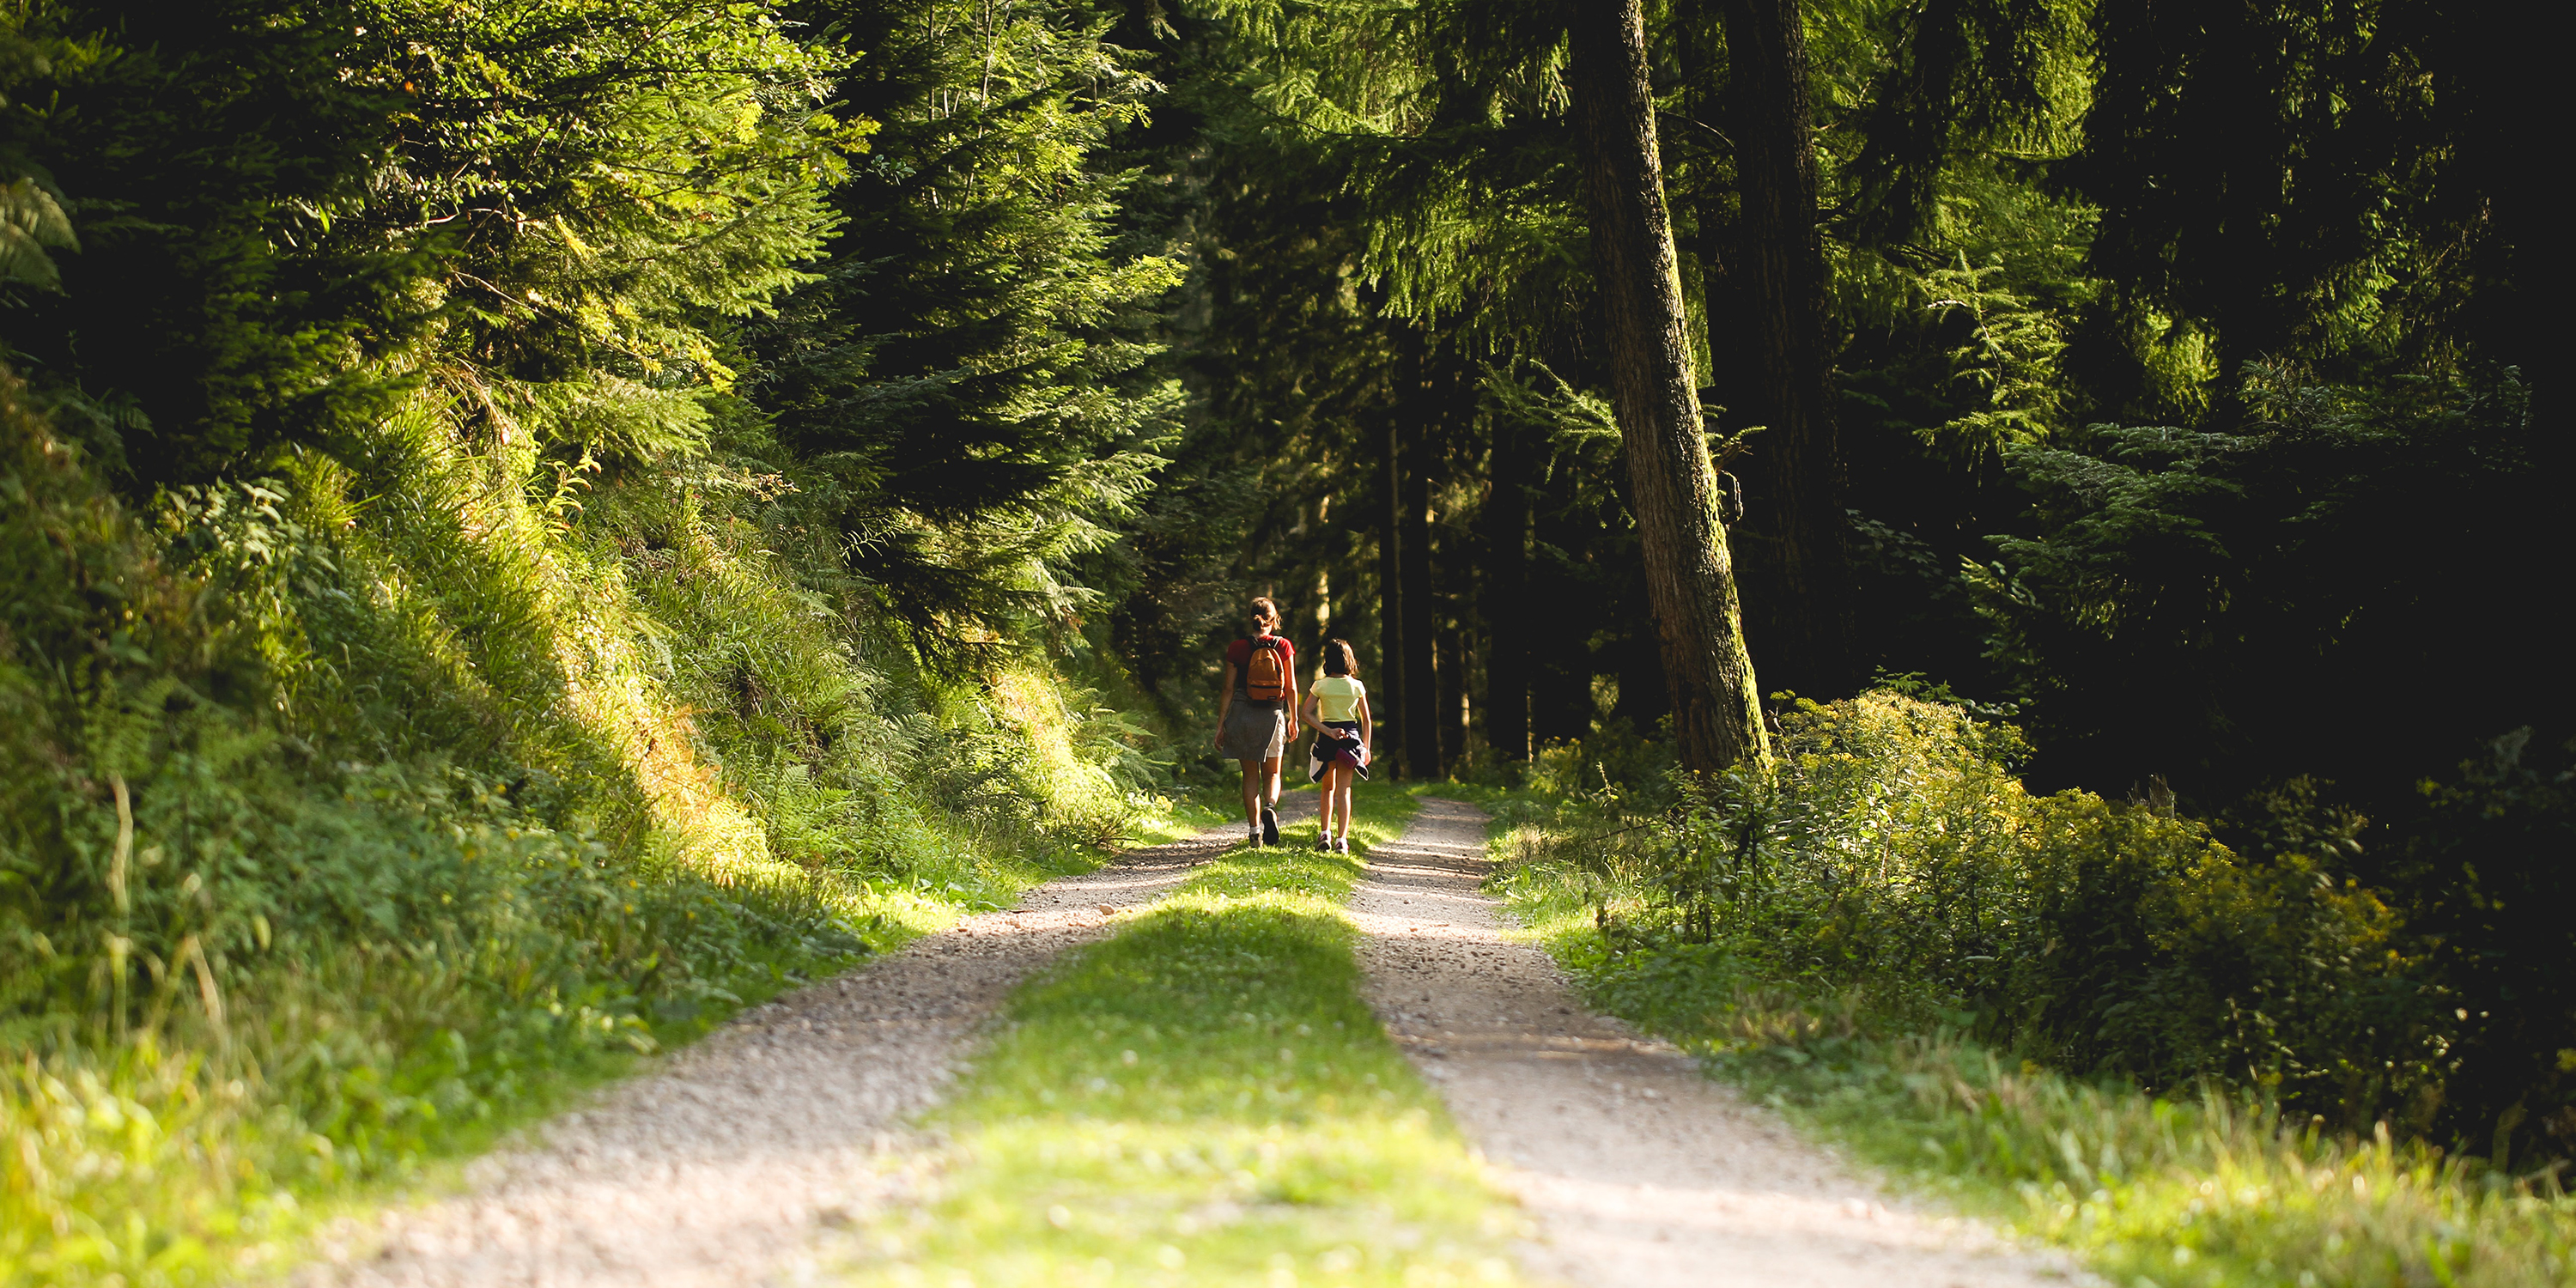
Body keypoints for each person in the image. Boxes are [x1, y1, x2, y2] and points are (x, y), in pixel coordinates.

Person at [1212, 597, 1300, 847]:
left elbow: (1228, 689)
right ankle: (1270, 807)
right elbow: (1291, 687)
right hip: (1272, 712)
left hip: (1242, 713)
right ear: (1275, 620)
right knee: (1272, 773)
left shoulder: (1237, 648)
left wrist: (1221, 725)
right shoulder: (1283, 646)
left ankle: (1254, 833)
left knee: (1249, 775)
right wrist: (1293, 718)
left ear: (1250, 617)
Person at [1298, 639, 1371, 854]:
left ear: (1327, 661)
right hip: (1351, 738)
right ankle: (1342, 839)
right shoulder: (1356, 686)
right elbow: (1366, 719)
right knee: (1344, 791)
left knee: (1327, 788)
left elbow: (1306, 714)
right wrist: (1366, 747)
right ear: (1349, 660)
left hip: (1327, 738)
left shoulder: (1320, 685)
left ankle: (1325, 833)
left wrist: (1327, 731)